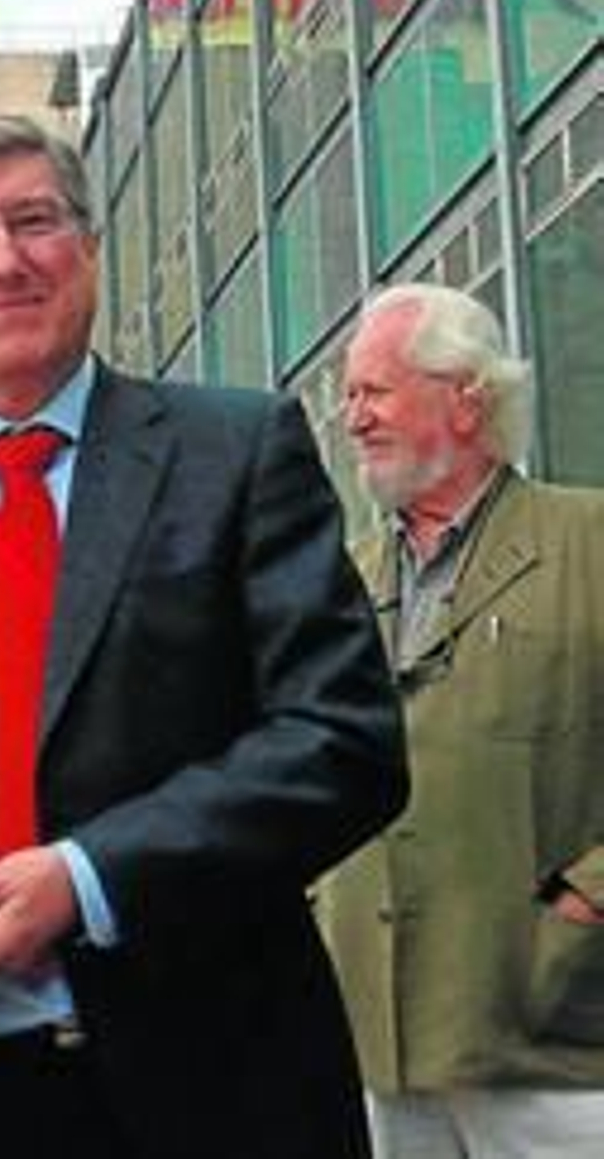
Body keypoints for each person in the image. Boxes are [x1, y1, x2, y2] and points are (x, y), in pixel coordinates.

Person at [0, 113, 408, 1159]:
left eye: (34, 220)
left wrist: (89, 873)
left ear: (89, 247)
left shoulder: (234, 452)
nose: (4, 259)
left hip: (221, 1080)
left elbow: (344, 741)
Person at [320, 282, 604, 1157]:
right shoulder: (337, 581)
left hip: (550, 1035)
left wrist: (585, 902)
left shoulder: (589, 541)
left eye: (374, 391)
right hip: (379, 1039)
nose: (351, 419)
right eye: (347, 397)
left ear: (467, 397)